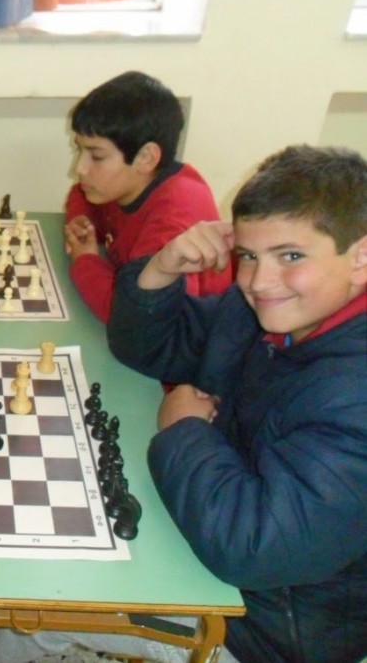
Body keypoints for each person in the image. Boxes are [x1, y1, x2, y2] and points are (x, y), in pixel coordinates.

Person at [107, 145, 367, 662]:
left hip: (263, 629)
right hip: (208, 540)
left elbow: (253, 547)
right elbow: (146, 348)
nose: (257, 281)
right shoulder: (268, 312)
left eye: (291, 256)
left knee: (16, 619)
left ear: (360, 257)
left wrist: (184, 431)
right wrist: (162, 268)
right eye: (248, 255)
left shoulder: (354, 394)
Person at [63, 71, 231, 323]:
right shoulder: (127, 183)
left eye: (96, 156)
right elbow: (81, 194)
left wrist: (85, 261)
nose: (80, 169)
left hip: (193, 341)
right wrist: (82, 222)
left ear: (146, 158)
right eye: (80, 150)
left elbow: (135, 319)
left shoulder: (172, 222)